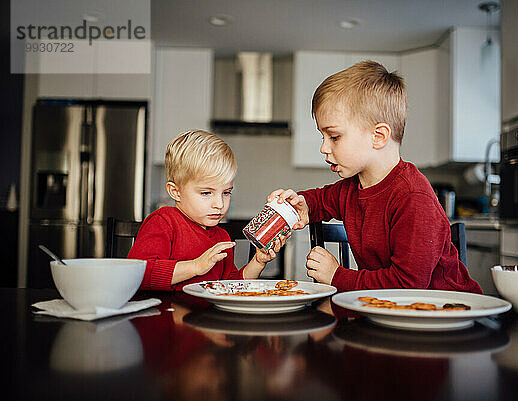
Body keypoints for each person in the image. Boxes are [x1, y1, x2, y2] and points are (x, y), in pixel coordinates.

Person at [268, 61, 481, 293]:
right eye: (323, 137)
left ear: (378, 136)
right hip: (391, 310)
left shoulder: (413, 197)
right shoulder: (352, 188)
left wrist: (336, 275)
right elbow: (320, 200)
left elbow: (407, 286)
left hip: (446, 314)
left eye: (334, 136)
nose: (323, 148)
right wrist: (302, 205)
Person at [129, 130, 286, 291]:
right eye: (206, 193)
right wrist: (195, 266)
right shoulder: (163, 221)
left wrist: (258, 262)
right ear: (175, 191)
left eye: (226, 192)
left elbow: (231, 286)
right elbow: (138, 274)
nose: (219, 204)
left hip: (206, 316)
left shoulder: (221, 237)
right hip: (166, 315)